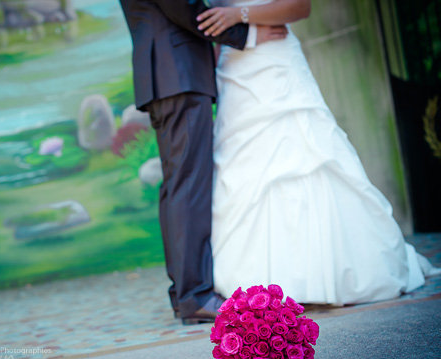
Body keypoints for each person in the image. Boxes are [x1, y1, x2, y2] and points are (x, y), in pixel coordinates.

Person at [197, 0, 440, 305]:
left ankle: (327, 273)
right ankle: (257, 283)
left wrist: (240, 14)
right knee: (243, 170)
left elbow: (300, 7)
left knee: (307, 155)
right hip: (234, 69)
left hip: (277, 64)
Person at [118, 0, 289, 324]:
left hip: (166, 73)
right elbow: (186, 9)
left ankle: (184, 293)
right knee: (188, 186)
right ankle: (194, 295)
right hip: (177, 71)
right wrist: (246, 35)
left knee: (177, 186)